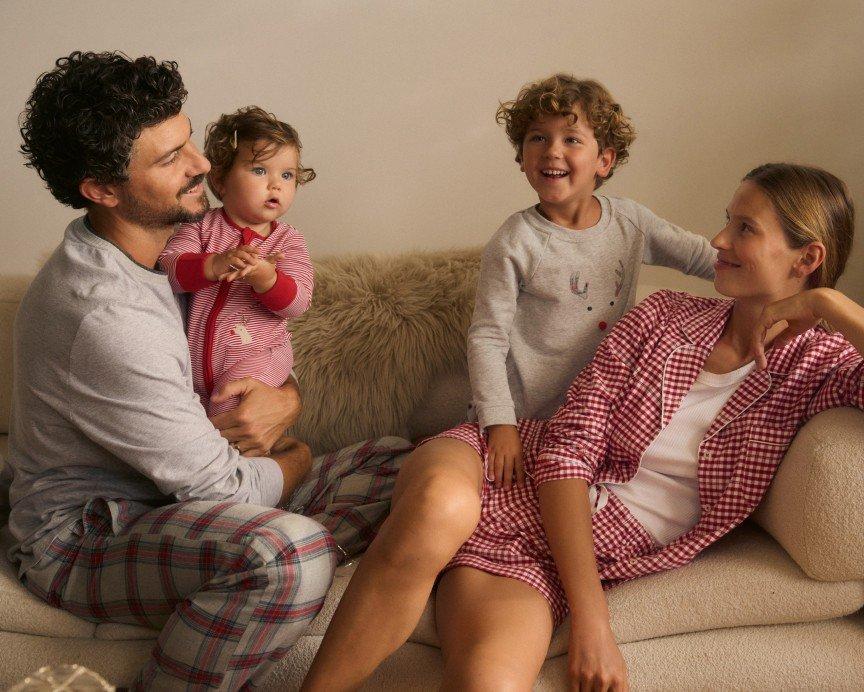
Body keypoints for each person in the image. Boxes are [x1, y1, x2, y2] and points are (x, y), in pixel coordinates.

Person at [303, 162, 860, 691]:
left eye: (744, 228)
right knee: (437, 509)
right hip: (511, 463)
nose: (717, 240)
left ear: (806, 257)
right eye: (726, 220)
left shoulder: (822, 367)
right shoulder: (663, 315)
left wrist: (832, 305)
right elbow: (568, 449)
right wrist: (593, 622)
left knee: (488, 682)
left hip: (564, 549)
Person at [7, 51, 410, 691]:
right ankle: (285, 568)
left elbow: (250, 349)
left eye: (188, 140)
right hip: (90, 536)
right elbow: (219, 491)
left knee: (406, 460)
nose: (201, 165)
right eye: (170, 158)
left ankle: (270, 565)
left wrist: (287, 401)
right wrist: (299, 458)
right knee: (292, 554)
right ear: (102, 190)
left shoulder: (178, 253)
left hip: (184, 494)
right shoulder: (105, 315)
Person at [466, 74, 716, 489]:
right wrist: (500, 423)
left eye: (571, 139)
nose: (552, 151)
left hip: (599, 419)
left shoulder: (631, 222)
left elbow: (703, 258)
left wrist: (776, 279)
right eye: (537, 138)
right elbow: (487, 338)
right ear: (522, 157)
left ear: (605, 160)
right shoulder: (516, 240)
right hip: (526, 417)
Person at [159, 106, 315, 416]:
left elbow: (298, 302)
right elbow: (167, 268)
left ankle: (243, 463)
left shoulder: (288, 240)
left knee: (230, 406)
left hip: (260, 356)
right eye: (259, 170)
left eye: (287, 175)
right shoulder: (201, 226)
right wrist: (213, 264)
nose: (276, 184)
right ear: (220, 180)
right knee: (194, 420)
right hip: (197, 367)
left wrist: (265, 277)